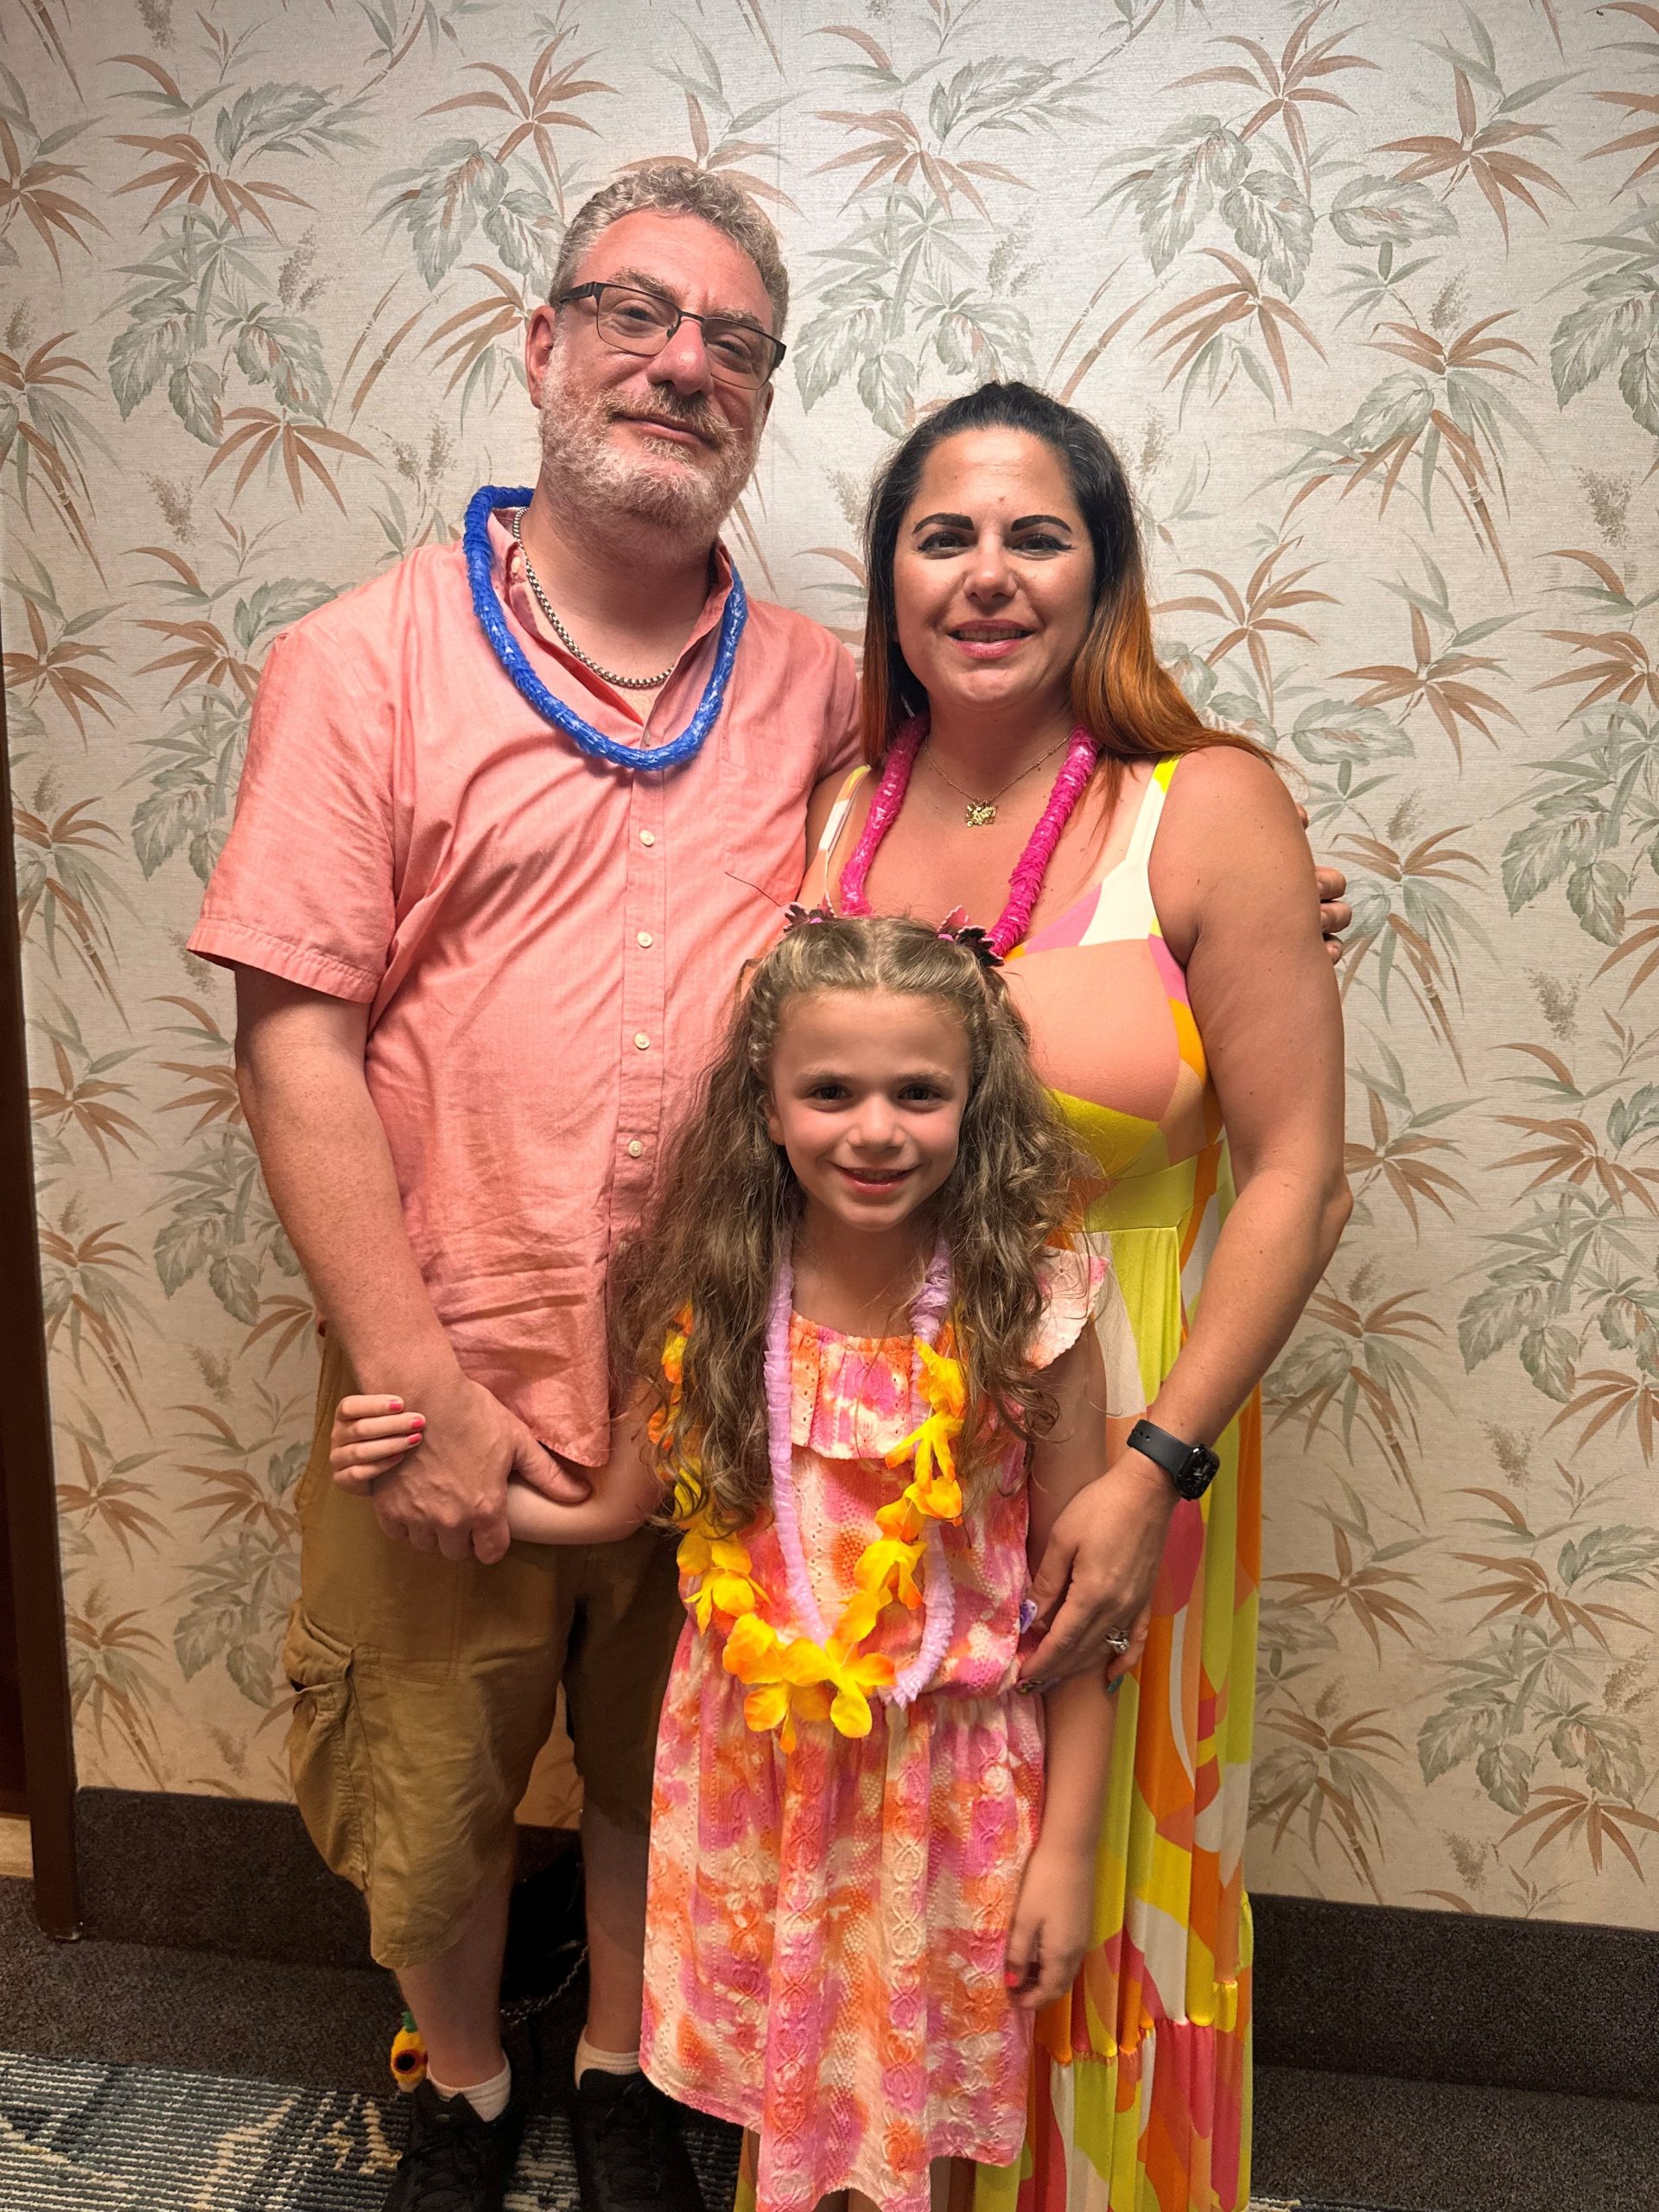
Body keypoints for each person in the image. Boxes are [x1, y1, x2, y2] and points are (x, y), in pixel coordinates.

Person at [194, 156, 1350, 2212]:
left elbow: (1099, 955)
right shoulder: (363, 660)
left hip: (901, 1399)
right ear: (542, 344)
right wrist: (411, 1360)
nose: (680, 363)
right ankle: (454, 2078)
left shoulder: (820, 697)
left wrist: (1231, 918)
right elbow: (291, 1031)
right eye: (634, 314)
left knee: (714, 1761)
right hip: (487, 1344)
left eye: (732, 338)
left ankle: (655, 2065)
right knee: (439, 1785)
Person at [330, 912, 1140, 2212]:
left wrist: (1071, 1849)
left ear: (974, 1105)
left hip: (947, 1793)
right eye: (830, 1091)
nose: (874, 1129)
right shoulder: (722, 1296)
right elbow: (610, 1510)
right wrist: (420, 1467)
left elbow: (1077, 1611)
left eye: (919, 1093)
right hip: (760, 1777)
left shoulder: (1035, 1310)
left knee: (904, 2111)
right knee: (789, 2100)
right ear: (766, 1108)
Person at [798, 381, 1353, 2212]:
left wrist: (1154, 1466)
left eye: (1037, 534)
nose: (986, 574)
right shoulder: (833, 822)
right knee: (889, 1861)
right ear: (888, 577)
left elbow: (1294, 1170)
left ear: (1100, 572)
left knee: (1093, 1875)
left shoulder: (1203, 808)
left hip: (1132, 1413)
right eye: (942, 532)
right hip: (877, 1436)